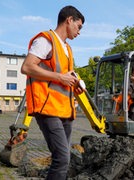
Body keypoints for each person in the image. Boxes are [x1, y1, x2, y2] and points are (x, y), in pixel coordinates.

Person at [21, 5, 85, 180]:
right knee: (62, 158)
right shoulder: (46, 40)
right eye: (79, 27)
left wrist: (75, 84)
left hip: (64, 110)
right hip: (47, 108)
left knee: (65, 158)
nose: (79, 32)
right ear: (69, 20)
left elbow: (63, 78)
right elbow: (27, 67)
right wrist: (60, 77)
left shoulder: (67, 49)